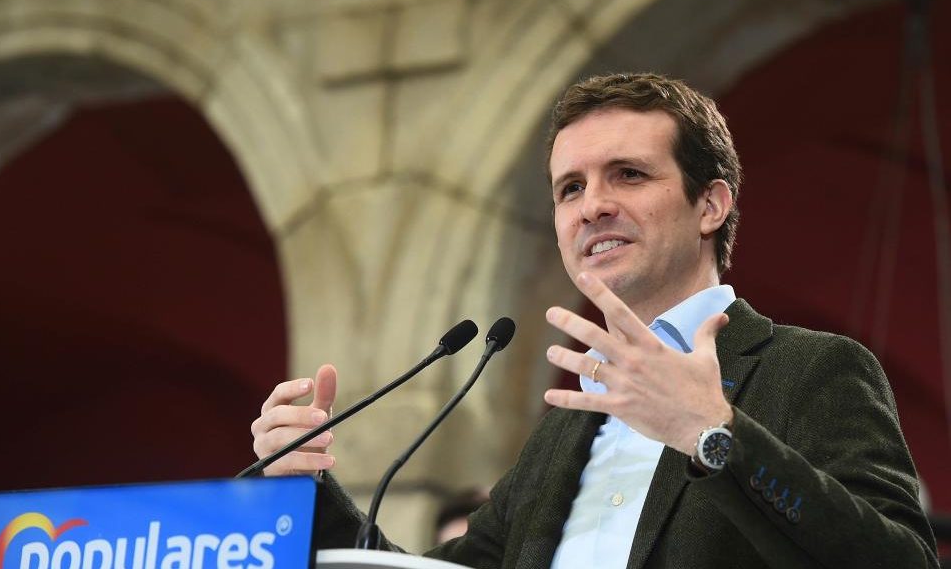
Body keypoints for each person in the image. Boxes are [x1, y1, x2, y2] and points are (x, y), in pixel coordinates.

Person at [250, 73, 939, 568]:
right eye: (570, 188)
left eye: (629, 175)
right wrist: (305, 493)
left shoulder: (811, 370)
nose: (592, 206)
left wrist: (714, 435)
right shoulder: (565, 431)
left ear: (710, 206)